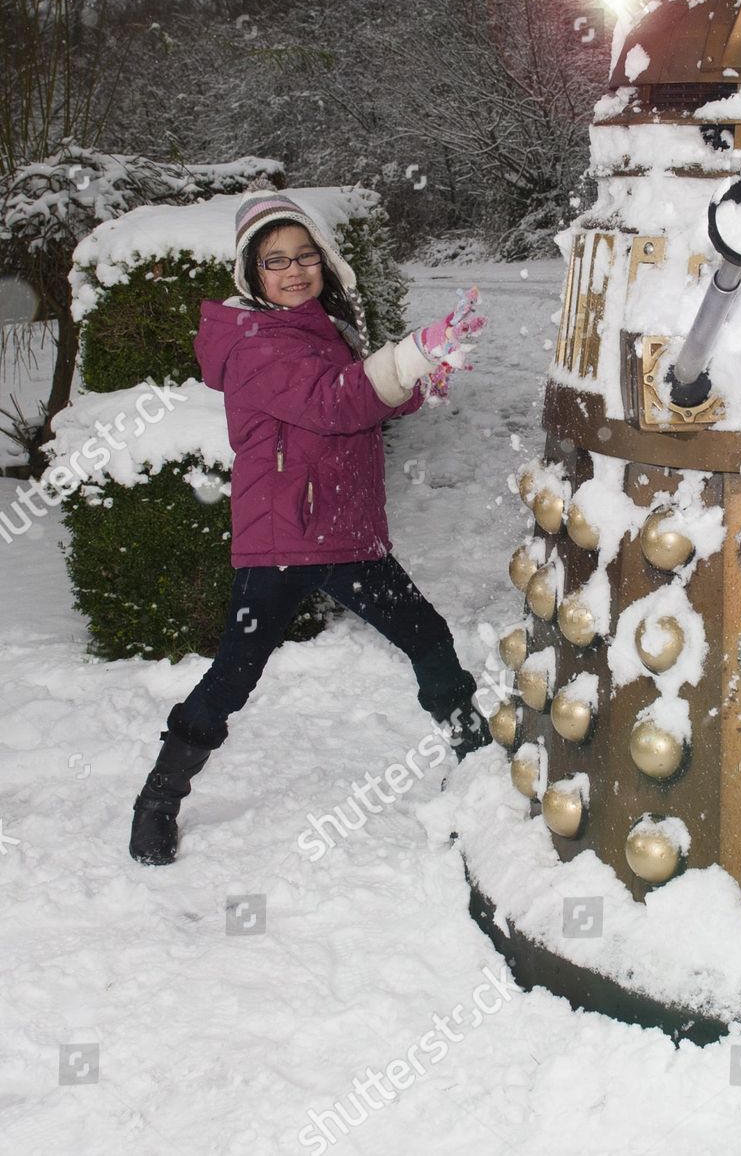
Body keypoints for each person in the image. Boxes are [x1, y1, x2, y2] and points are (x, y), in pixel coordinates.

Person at [129, 194, 491, 866]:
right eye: (276, 262)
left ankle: (475, 752)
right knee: (234, 677)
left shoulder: (322, 326)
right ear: (253, 274)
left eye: (304, 256)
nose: (294, 271)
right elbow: (333, 402)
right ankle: (159, 798)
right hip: (284, 542)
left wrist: (420, 377)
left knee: (427, 637)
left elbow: (357, 392)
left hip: (348, 532)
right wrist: (409, 353)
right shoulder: (253, 343)